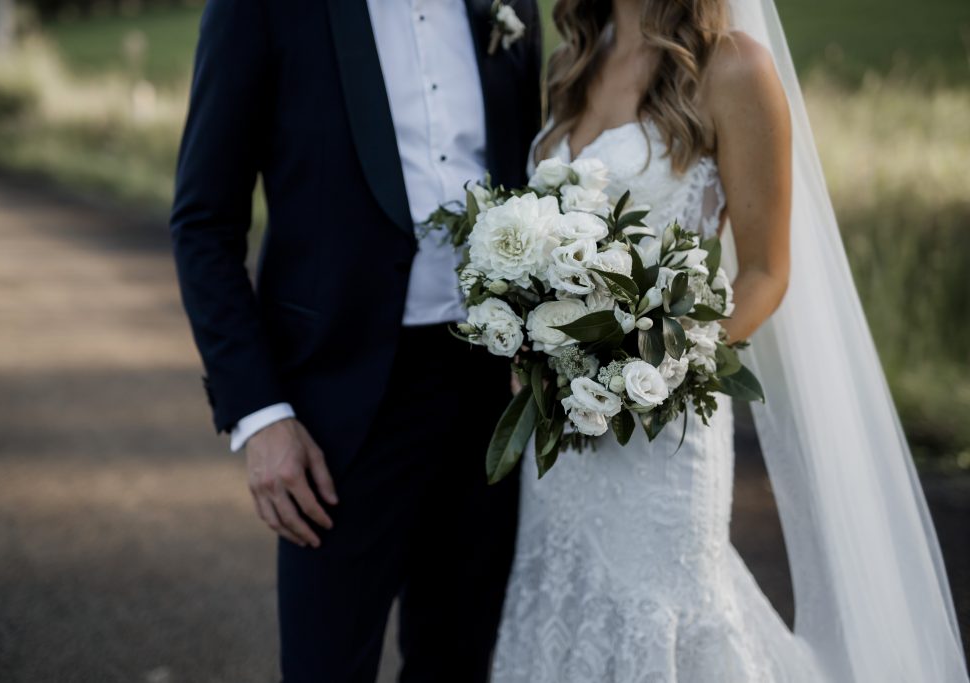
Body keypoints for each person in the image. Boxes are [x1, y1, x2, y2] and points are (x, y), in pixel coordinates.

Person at [490, 0, 970, 681]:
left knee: (666, 622)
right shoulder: (574, 61)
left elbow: (767, 271)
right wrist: (532, 339)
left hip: (659, 428)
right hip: (561, 441)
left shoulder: (734, 67)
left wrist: (648, 365)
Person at [169, 1, 541, 680]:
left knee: (459, 659)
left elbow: (531, 169)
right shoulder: (262, 12)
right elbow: (203, 221)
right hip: (339, 405)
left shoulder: (508, 5)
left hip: (490, 396)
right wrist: (261, 415)